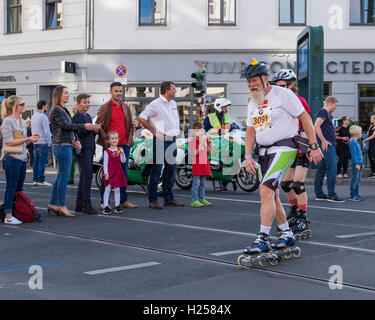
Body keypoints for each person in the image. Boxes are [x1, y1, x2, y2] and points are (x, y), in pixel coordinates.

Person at [241, 59, 322, 255]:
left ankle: (262, 238)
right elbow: (250, 131)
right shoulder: (253, 102)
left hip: (284, 147)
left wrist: (313, 145)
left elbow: (305, 117)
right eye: (248, 81)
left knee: (265, 191)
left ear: (265, 78)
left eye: (254, 80)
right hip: (263, 151)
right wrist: (247, 156)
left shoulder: (283, 94)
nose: (251, 84)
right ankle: (286, 234)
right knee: (272, 194)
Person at [48, 86, 100, 217]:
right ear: (59, 94)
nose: (67, 95)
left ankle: (54, 204)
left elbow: (69, 128)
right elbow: (66, 126)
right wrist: (85, 126)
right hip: (62, 145)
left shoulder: (62, 109)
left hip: (65, 144)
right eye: (65, 93)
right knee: (64, 178)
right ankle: (61, 205)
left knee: (60, 177)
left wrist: (75, 139)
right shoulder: (57, 110)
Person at [272, 69, 312, 236]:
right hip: (288, 145)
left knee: (297, 184)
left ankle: (302, 217)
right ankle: (295, 212)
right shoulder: (277, 101)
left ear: (291, 85)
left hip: (302, 144)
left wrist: (312, 144)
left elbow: (307, 121)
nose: (279, 88)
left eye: (282, 85)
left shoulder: (299, 100)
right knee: (285, 184)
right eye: (277, 85)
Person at [139, 81, 185, 209]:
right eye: (174, 89)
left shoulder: (174, 103)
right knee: (157, 170)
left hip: (172, 140)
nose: (175, 91)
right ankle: (153, 200)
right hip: (160, 140)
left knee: (170, 171)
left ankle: (168, 198)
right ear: (166, 90)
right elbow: (142, 118)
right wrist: (154, 131)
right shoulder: (156, 104)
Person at [96, 82, 137, 209]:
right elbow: (99, 126)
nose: (119, 93)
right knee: (107, 174)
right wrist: (106, 140)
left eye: (120, 91)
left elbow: (131, 125)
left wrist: (130, 140)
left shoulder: (126, 107)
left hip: (124, 146)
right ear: (110, 92)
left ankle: (123, 200)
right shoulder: (105, 107)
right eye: (116, 91)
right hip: (110, 147)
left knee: (123, 174)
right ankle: (104, 202)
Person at [1, 96, 40, 225]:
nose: (24, 106)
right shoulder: (8, 121)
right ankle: (8, 215)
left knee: (18, 189)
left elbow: (23, 141)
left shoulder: (22, 121)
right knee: (11, 187)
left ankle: (15, 211)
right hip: (11, 158)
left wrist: (32, 138)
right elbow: (9, 142)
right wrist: (27, 139)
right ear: (14, 106)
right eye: (21, 104)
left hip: (22, 159)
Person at [314, 96, 345, 203]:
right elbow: (316, 126)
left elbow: (320, 127)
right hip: (327, 145)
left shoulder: (323, 113)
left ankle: (319, 194)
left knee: (321, 169)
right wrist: (323, 140)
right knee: (332, 169)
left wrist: (332, 131)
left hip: (325, 145)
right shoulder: (323, 112)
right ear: (331, 103)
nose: (336, 107)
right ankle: (332, 194)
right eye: (336, 105)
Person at [72, 94, 99, 215]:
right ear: (78, 104)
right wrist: (90, 128)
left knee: (84, 176)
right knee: (88, 175)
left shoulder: (87, 115)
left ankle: (79, 204)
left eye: (88, 102)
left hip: (89, 148)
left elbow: (89, 134)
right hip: (82, 149)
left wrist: (94, 130)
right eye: (84, 102)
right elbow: (77, 132)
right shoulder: (78, 116)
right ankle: (86, 204)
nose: (87, 104)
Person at [203, 98, 236, 192]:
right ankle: (221, 180)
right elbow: (203, 130)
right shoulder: (209, 118)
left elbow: (232, 126)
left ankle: (226, 180)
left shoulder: (226, 117)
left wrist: (235, 127)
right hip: (212, 142)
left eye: (226, 106)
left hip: (224, 141)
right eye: (224, 106)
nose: (226, 108)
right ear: (219, 107)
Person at [102, 132, 127, 214]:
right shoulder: (107, 151)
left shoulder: (119, 150)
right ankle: (105, 206)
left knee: (117, 189)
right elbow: (105, 164)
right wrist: (106, 173)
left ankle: (117, 206)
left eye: (116, 138)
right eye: (112, 139)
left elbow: (123, 161)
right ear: (108, 141)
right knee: (107, 189)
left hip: (117, 172)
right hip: (110, 173)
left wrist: (123, 154)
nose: (114, 140)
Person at [189, 122, 212, 208]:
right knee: (196, 184)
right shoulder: (192, 141)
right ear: (195, 131)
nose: (201, 133)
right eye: (199, 131)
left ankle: (202, 198)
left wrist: (205, 143)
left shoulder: (205, 139)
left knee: (203, 184)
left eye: (202, 131)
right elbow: (195, 152)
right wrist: (201, 144)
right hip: (197, 165)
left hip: (204, 164)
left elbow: (209, 151)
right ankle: (194, 200)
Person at [31, 100, 52, 186]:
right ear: (43, 107)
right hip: (43, 142)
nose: (47, 108)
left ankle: (35, 179)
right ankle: (41, 180)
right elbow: (47, 131)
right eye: (46, 106)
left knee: (36, 161)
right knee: (42, 162)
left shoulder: (33, 116)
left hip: (35, 141)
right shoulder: (44, 117)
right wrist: (49, 142)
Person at [349, 126, 364, 201]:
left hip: (360, 163)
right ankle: (352, 195)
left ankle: (356, 194)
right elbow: (354, 155)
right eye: (361, 133)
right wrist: (356, 164)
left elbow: (359, 154)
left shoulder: (356, 142)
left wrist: (362, 163)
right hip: (356, 164)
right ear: (357, 134)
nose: (361, 134)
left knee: (357, 180)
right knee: (354, 180)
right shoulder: (352, 143)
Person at [68, 104, 80, 184]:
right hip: (73, 142)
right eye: (72, 109)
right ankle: (70, 178)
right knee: (71, 161)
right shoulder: (71, 117)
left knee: (80, 161)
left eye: (74, 109)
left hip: (79, 142)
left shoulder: (80, 117)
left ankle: (82, 178)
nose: (73, 110)